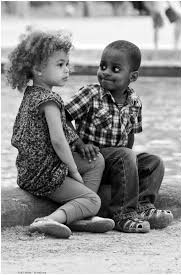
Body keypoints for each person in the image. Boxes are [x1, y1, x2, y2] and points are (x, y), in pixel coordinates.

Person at [6, 30, 115, 239]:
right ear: (38, 69)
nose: (67, 70)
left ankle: (81, 215)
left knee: (95, 160)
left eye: (67, 64)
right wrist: (73, 171)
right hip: (44, 174)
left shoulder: (32, 95)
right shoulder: (50, 101)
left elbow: (61, 135)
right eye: (60, 65)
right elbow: (58, 140)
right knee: (94, 200)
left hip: (30, 169)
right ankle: (50, 220)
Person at [65, 40, 174, 233]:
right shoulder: (91, 94)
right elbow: (61, 118)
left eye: (115, 69)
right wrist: (79, 143)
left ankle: (144, 206)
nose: (106, 72)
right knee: (125, 155)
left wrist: (129, 168)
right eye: (103, 66)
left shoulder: (135, 102)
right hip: (92, 160)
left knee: (154, 161)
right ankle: (123, 214)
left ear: (132, 76)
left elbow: (130, 137)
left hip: (119, 163)